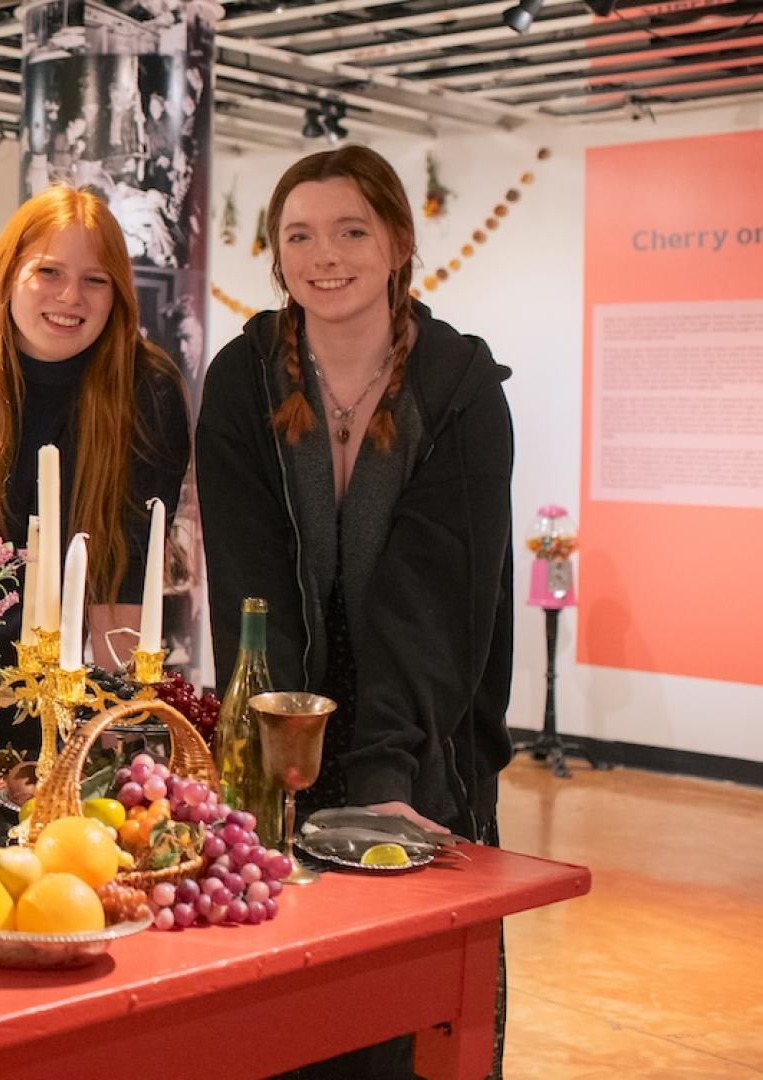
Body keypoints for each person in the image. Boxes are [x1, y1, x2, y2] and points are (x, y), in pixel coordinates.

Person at [196, 145, 514, 1077]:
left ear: (398, 243)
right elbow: (250, 591)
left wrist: (388, 775)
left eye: (350, 230)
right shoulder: (245, 380)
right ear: (276, 253)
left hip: (419, 736)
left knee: (407, 1021)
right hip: (281, 738)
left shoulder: (458, 391)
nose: (323, 256)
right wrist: (272, 757)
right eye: (299, 234)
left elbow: (438, 604)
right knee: (284, 1022)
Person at [0, 184, 190, 761]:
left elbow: (123, 582)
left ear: (118, 295)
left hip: (78, 699)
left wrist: (110, 744)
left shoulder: (144, 392)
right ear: (6, 276)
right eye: (48, 272)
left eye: (95, 280)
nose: (70, 296)